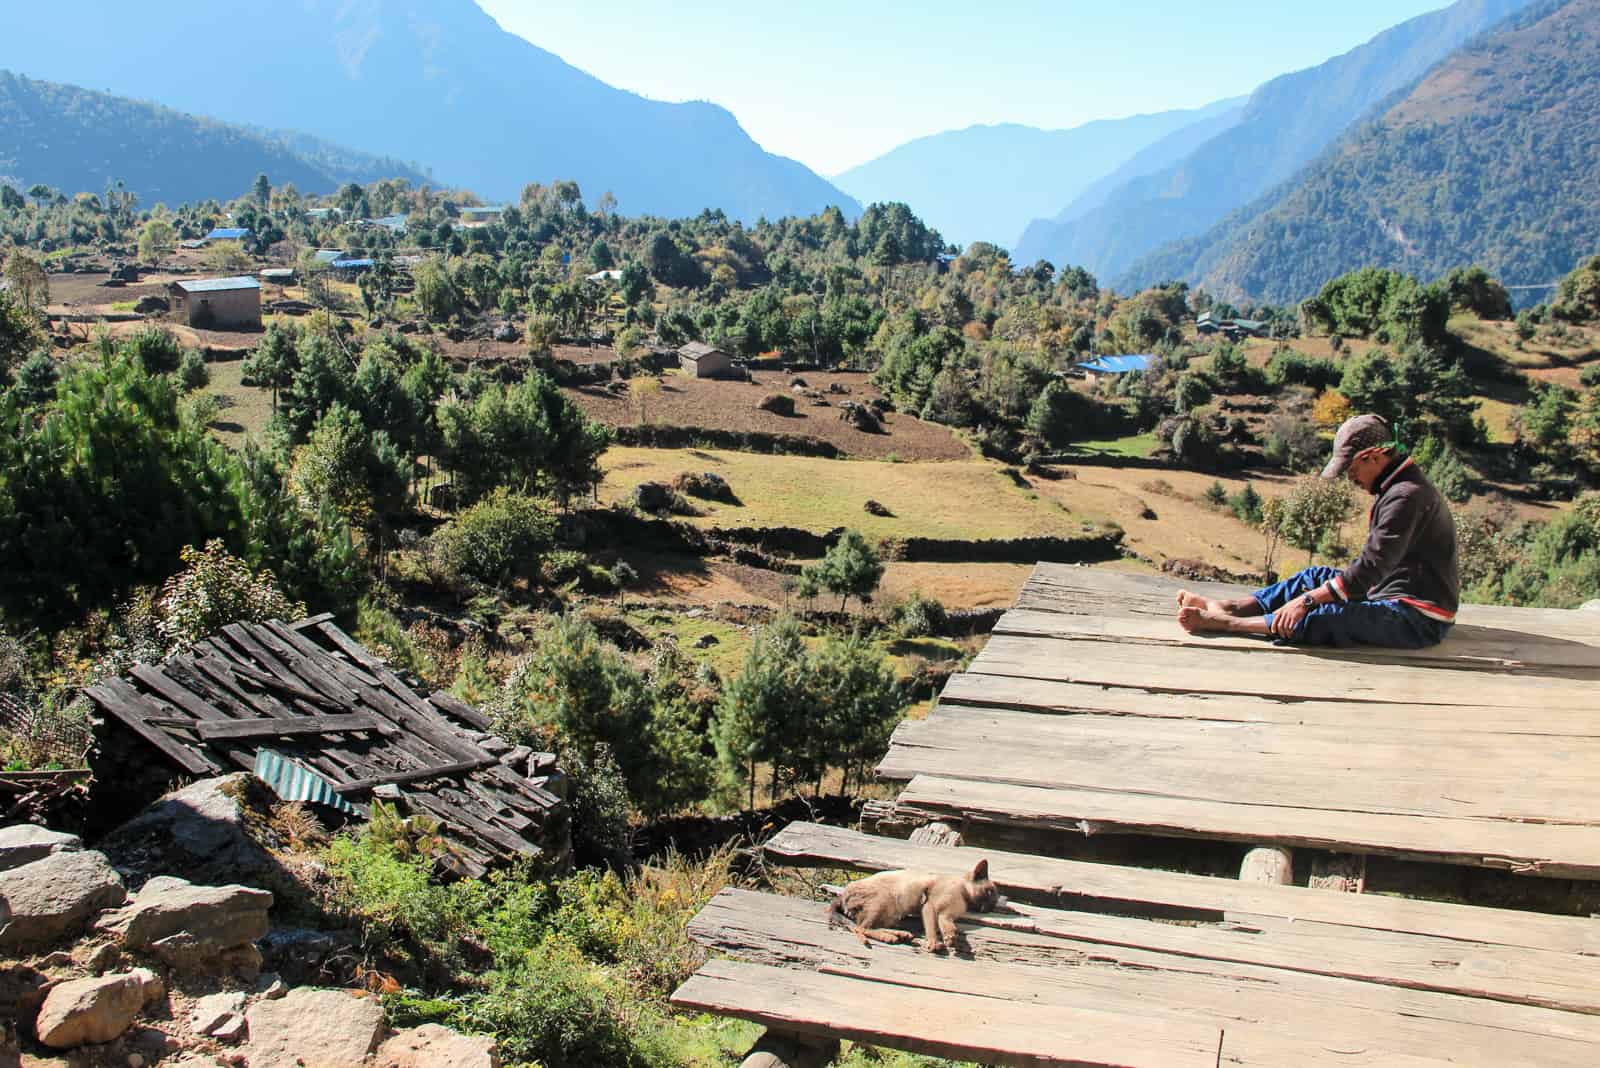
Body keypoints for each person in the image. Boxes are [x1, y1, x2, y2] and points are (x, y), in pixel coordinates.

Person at [1177, 413, 1459, 648]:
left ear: (1374, 456)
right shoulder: (1400, 487)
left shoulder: (1406, 497)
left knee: (1325, 615)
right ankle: (1232, 607)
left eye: (1352, 469)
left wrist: (1307, 600)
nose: (1351, 478)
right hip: (1387, 591)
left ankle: (1230, 623)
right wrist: (1310, 592)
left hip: (1419, 618)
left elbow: (1371, 569)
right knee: (1313, 577)